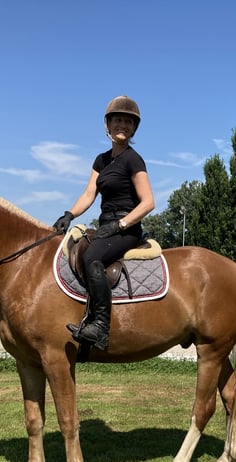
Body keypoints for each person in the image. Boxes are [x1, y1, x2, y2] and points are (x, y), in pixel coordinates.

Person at [53, 95, 155, 350]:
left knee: (91, 259)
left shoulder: (134, 159)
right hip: (106, 227)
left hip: (127, 229)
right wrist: (69, 214)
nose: (123, 125)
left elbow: (148, 202)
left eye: (128, 122)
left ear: (134, 129)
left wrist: (120, 225)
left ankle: (100, 326)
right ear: (108, 126)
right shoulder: (101, 160)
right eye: (118, 120)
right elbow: (89, 194)